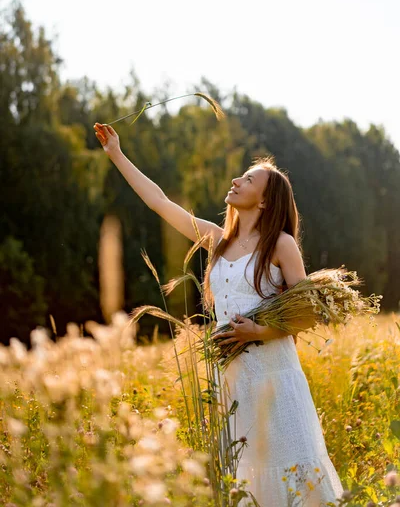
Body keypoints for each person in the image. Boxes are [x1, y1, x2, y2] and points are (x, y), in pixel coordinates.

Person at [94, 122, 345, 506]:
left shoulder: (281, 244)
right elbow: (159, 202)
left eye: (247, 179)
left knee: (289, 469)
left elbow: (307, 313)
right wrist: (117, 154)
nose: (236, 180)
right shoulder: (217, 240)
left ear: (263, 201)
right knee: (246, 475)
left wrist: (257, 333)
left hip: (275, 375)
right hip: (232, 377)